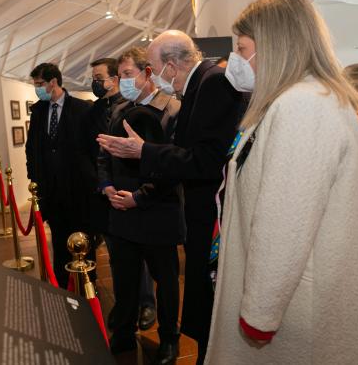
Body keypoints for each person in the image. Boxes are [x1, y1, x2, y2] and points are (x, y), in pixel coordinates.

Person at [205, 0, 358, 364]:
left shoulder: (302, 105)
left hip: (294, 312)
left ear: (273, 44)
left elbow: (285, 220)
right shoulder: (308, 98)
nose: (236, 59)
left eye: (243, 47)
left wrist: (260, 314)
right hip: (298, 299)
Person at [97, 31, 244, 364]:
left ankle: (179, 344)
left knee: (184, 293)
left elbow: (203, 159)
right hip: (160, 215)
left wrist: (144, 153)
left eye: (151, 66)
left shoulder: (211, 83)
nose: (151, 74)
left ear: (172, 65)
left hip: (194, 214)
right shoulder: (198, 84)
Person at [98, 47, 183, 365]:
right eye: (120, 76)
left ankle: (169, 341)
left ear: (149, 73)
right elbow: (103, 154)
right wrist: (106, 187)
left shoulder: (172, 110)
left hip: (157, 211)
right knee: (124, 279)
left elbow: (174, 166)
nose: (123, 81)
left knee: (167, 283)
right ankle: (122, 334)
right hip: (121, 211)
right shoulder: (119, 109)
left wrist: (140, 197)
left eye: (128, 75)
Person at [79, 57, 157, 331]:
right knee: (117, 256)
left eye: (100, 77)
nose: (96, 83)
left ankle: (147, 304)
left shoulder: (135, 107)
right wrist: (104, 186)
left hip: (135, 191)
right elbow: (90, 154)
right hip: (106, 193)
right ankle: (125, 307)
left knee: (143, 255)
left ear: (114, 79)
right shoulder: (92, 113)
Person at [25, 63, 92, 288]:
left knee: (83, 237)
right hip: (51, 192)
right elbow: (31, 148)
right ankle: (62, 284)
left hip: (78, 190)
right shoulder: (38, 111)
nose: (37, 88)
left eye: (40, 84)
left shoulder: (82, 109)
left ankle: (87, 282)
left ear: (53, 82)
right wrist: (33, 177)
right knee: (59, 239)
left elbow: (92, 150)